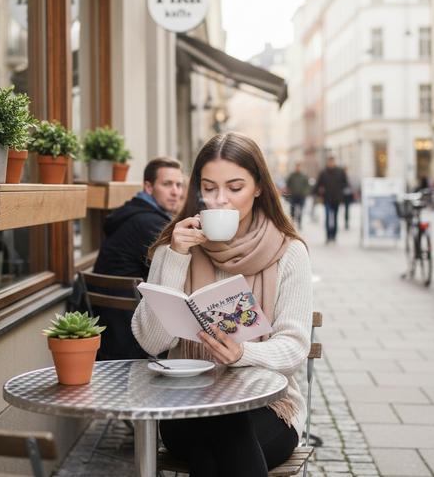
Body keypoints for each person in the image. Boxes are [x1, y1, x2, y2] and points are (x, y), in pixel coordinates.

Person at [132, 132, 313, 477]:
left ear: (259, 187)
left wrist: (243, 355)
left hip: (266, 406)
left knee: (215, 448)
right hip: (185, 406)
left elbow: (295, 347)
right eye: (209, 187)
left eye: (234, 187)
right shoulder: (176, 248)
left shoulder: (289, 252)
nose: (220, 201)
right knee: (221, 433)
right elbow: (151, 342)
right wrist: (174, 258)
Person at [92, 157, 184, 360]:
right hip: (133, 336)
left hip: (109, 331)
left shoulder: (134, 214)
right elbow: (178, 275)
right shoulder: (150, 224)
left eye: (179, 185)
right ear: (148, 187)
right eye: (167, 184)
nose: (176, 192)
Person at [316, 156, 347, 243]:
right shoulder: (324, 172)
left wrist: (340, 191)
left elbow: (345, 183)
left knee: (336, 218)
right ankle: (328, 236)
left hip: (337, 199)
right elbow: (318, 185)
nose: (331, 163)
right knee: (328, 217)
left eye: (332, 161)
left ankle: (334, 236)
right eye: (329, 161)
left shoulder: (340, 172)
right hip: (327, 199)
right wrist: (320, 194)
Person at [286, 163, 309, 229]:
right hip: (293, 195)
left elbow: (307, 185)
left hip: (301, 196)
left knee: (300, 210)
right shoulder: (292, 175)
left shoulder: (304, 176)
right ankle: (292, 223)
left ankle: (299, 223)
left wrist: (305, 192)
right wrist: (289, 191)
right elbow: (288, 183)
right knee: (292, 210)